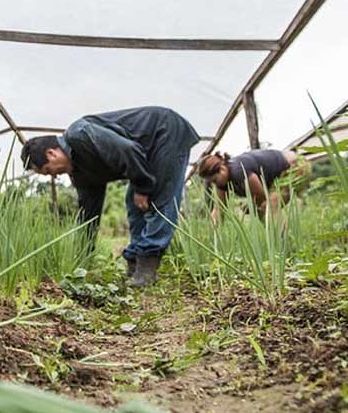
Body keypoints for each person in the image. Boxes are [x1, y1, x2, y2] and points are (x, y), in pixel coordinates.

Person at [21, 106, 200, 287]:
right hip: (143, 155)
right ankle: (134, 264)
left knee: (160, 200)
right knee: (134, 204)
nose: (53, 175)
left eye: (47, 171)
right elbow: (88, 216)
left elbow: (128, 150)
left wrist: (143, 187)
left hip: (164, 131)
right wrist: (81, 259)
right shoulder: (80, 174)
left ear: (51, 154)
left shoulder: (80, 134)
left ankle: (147, 269)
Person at [196, 148, 306, 222]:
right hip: (278, 177)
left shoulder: (238, 170)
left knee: (269, 205)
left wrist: (251, 205)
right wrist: (213, 237)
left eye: (215, 180)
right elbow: (219, 209)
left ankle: (283, 247)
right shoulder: (222, 182)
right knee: (260, 210)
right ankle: (275, 243)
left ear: (222, 169)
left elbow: (262, 198)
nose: (216, 184)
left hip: (295, 167)